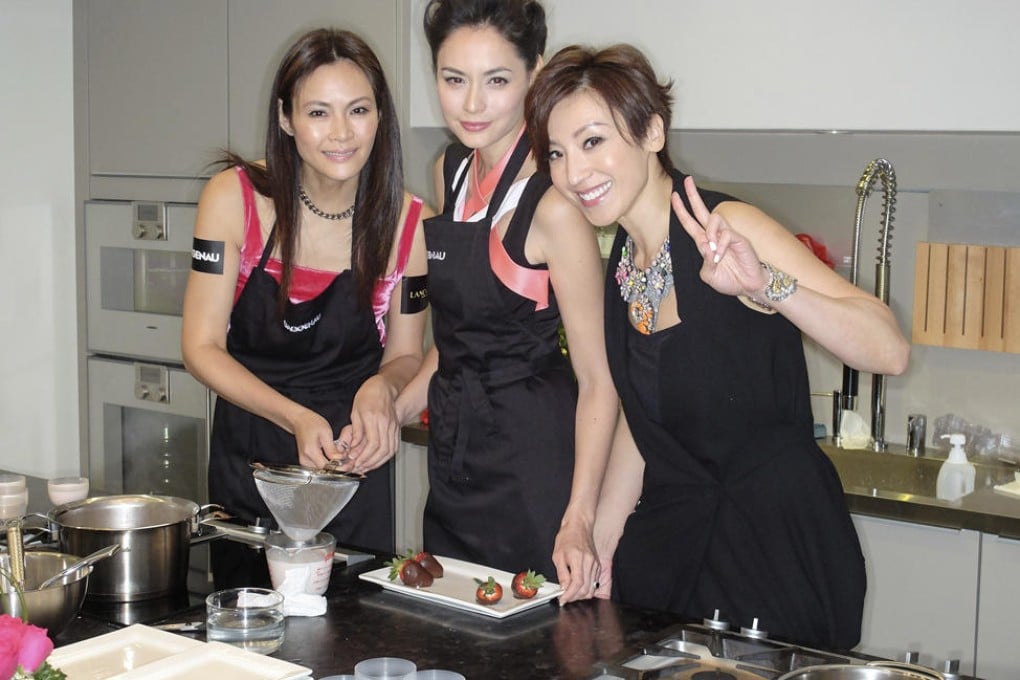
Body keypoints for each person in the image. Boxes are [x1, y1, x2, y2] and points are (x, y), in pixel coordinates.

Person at [526, 44, 911, 648]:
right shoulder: (623, 263)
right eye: (557, 152)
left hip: (775, 551)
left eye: (593, 141)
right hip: (675, 552)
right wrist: (600, 540)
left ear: (652, 131)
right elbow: (643, 420)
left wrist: (769, 286)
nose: (575, 173)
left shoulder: (728, 227)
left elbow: (887, 348)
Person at [385, 0, 617, 603]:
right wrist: (393, 412)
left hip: (534, 463)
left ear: (534, 75)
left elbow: (599, 378)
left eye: (496, 81)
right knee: (451, 632)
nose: (470, 104)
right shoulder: (449, 171)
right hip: (457, 456)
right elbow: (459, 338)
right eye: (453, 79)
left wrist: (580, 519)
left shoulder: (553, 206)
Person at [181, 28, 431, 588]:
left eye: (358, 110)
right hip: (251, 462)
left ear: (380, 117)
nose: (341, 133)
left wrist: (381, 390)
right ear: (287, 119)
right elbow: (200, 346)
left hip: (348, 466)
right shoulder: (234, 199)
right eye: (319, 112)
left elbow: (407, 355)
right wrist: (293, 417)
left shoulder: (408, 225)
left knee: (353, 646)